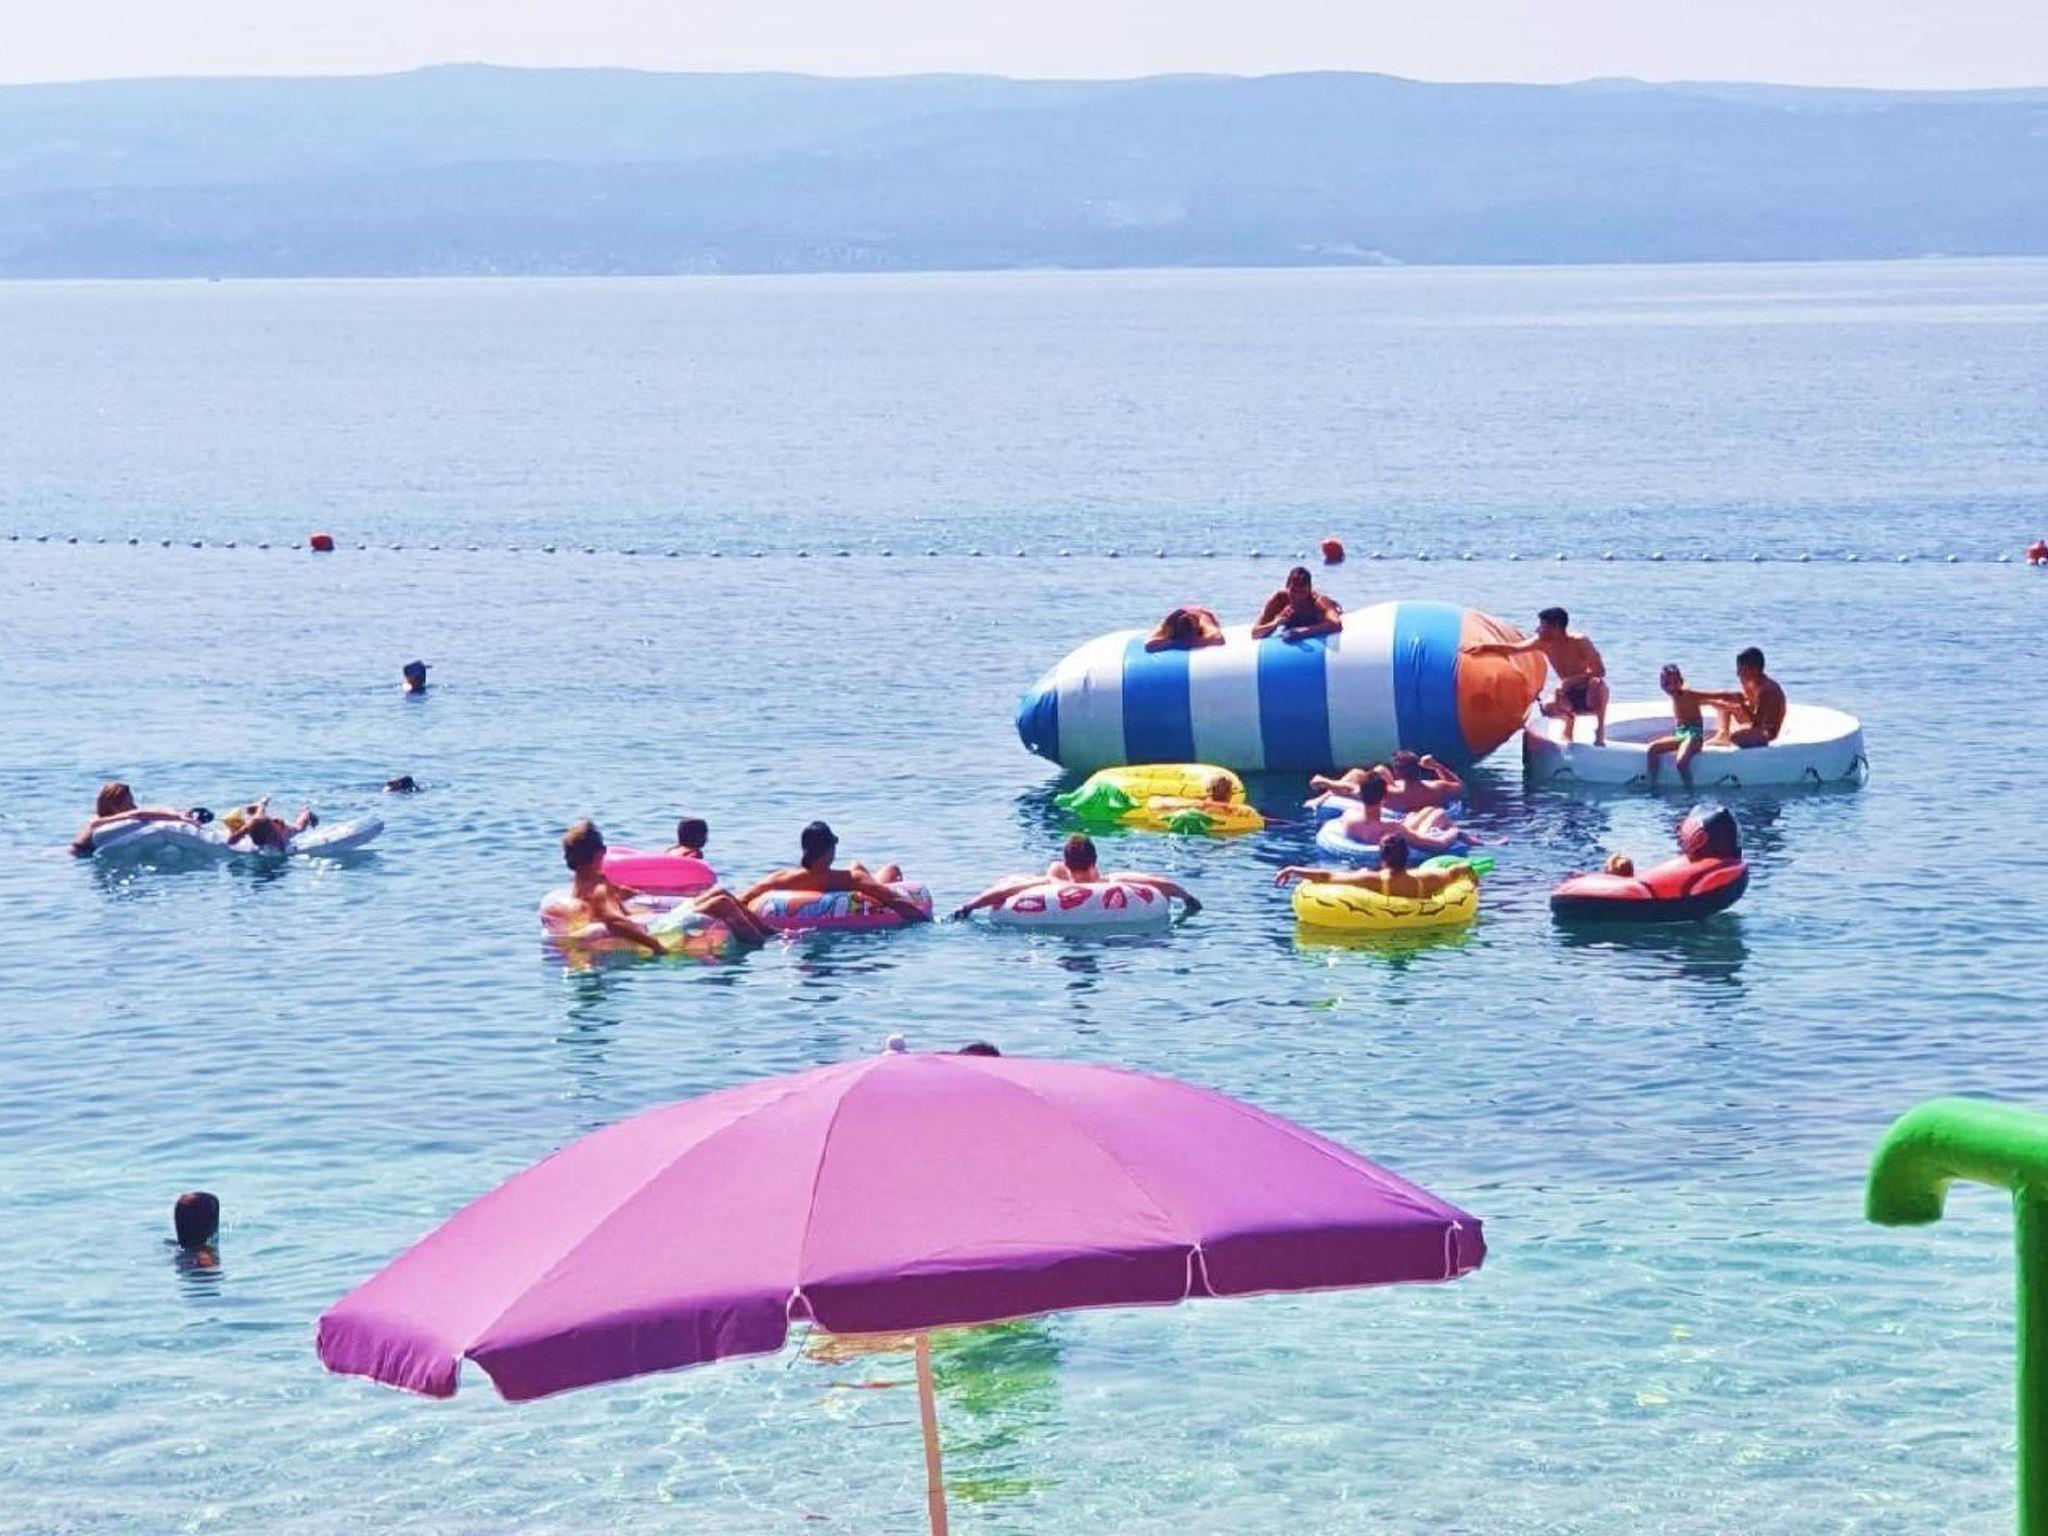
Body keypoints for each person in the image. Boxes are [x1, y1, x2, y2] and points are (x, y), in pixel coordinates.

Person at [951, 833, 1202, 918]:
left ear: (1068, 864)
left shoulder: (1107, 881)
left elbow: (1003, 892)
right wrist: (1188, 898)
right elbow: (1160, 883)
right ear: (1094, 862)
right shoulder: (1057, 881)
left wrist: (968, 907)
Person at [1464, 607, 1609, 746]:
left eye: (1542, 625)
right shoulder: (1542, 642)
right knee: (1547, 707)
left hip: (1587, 689)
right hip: (1567, 692)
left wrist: (1570, 681)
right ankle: (1569, 724)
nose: (1537, 629)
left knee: (1598, 684)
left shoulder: (1579, 641)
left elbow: (1600, 671)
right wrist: (1486, 647)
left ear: (1556, 628)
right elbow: (1514, 649)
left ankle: (1600, 731)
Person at [740, 821, 930, 923]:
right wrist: (927, 922)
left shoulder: (782, 879)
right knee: (891, 869)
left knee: (857, 865)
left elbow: (744, 898)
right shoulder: (850, 879)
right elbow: (894, 901)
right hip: (859, 893)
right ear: (829, 850)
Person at [1274, 833, 1469, 900]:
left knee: (1361, 870)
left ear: (1382, 858)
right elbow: (1456, 871)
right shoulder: (1428, 879)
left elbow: (1328, 876)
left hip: (1381, 927)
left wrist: (1292, 869)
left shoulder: (1371, 880)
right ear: (1407, 856)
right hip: (1420, 918)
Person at [1330, 775, 1466, 856]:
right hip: (1396, 836)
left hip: (1372, 833)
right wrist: (1453, 832)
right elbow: (1439, 845)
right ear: (1384, 799)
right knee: (1438, 813)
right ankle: (1462, 834)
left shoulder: (1349, 816)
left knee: (1418, 813)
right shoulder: (1394, 829)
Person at [1309, 750, 1462, 814]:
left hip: (1398, 805)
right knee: (1379, 770)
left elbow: (1350, 789)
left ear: (1397, 772)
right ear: (1418, 768)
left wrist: (1325, 781)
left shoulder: (1387, 793)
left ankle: (1323, 797)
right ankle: (1322, 797)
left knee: (1356, 774)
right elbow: (1459, 785)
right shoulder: (1438, 788)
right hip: (1416, 798)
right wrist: (1436, 766)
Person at [70, 781, 197, 856]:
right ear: (114, 804)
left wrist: (179, 812)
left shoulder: (105, 820)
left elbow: (145, 812)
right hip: (75, 857)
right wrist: (178, 818)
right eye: (129, 802)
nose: (133, 806)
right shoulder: (97, 822)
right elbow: (138, 814)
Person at [1644, 664, 1716, 789]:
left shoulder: (1687, 694)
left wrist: (1736, 697)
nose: (1671, 687)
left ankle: (1690, 793)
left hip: (1693, 735)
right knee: (1652, 749)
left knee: (1681, 762)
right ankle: (1652, 786)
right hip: (1681, 733)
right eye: (1666, 683)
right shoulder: (1676, 694)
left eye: (1674, 683)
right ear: (1661, 684)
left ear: (1680, 681)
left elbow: (1716, 695)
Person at [1705, 647, 1787, 748]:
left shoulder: (1768, 692)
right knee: (1725, 699)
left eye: (1742, 670)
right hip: (1754, 722)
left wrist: (1741, 705)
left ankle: (1746, 744)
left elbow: (1757, 724)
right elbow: (1749, 708)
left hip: (1766, 731)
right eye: (1738, 669)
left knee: (1736, 736)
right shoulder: (1751, 682)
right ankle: (1723, 734)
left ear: (1754, 670)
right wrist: (1714, 703)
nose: (1738, 674)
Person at [1250, 566, 1343, 641]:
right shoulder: (1280, 600)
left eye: (1303, 592)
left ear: (1310, 590)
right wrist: (1275, 623)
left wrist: (1302, 632)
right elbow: (1255, 633)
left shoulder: (1319, 601)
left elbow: (1336, 624)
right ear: (1287, 587)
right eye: (1293, 591)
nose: (1298, 597)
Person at [225, 797, 316, 851]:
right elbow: (233, 840)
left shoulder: (276, 834)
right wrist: (264, 801)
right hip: (264, 822)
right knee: (256, 809)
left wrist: (286, 850)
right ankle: (258, 804)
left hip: (280, 828)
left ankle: (306, 812)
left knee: (299, 828)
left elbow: (283, 846)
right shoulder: (251, 824)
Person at [1145, 605, 1226, 652]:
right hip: (1177, 621)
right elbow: (1149, 644)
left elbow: (1218, 638)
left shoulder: (1203, 619)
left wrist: (1192, 642)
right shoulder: (1167, 624)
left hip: (1198, 615)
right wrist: (1176, 643)